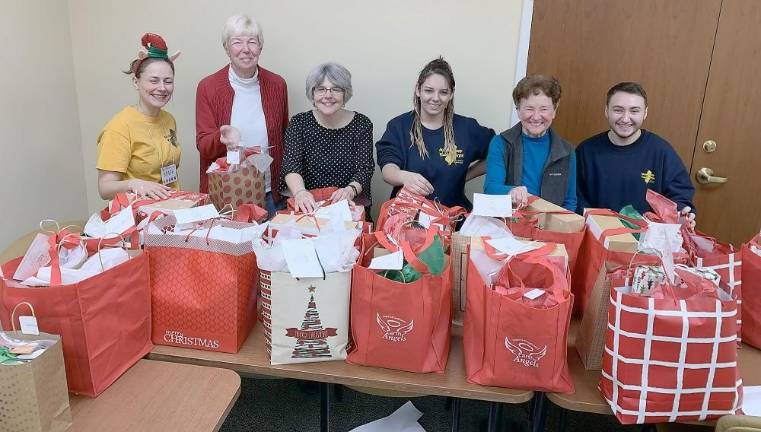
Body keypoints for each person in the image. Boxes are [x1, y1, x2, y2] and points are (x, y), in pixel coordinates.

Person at [196, 14, 288, 216]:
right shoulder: (208, 87)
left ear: (260, 47)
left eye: (252, 42)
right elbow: (203, 145)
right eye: (237, 42)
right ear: (226, 48)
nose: (246, 49)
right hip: (226, 197)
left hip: (270, 195)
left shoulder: (277, 85)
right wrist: (221, 137)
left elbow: (282, 138)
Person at [375, 57, 494, 210]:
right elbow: (388, 169)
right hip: (408, 220)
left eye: (443, 92)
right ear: (418, 90)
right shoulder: (399, 126)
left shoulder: (467, 128)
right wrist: (404, 176)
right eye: (429, 91)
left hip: (452, 220)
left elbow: (499, 151)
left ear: (451, 94)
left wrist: (465, 175)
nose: (435, 98)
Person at [576, 82, 696, 222]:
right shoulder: (586, 151)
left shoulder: (661, 151)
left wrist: (681, 214)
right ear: (606, 111)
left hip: (648, 239)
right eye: (618, 110)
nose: (626, 118)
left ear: (645, 113)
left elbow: (680, 198)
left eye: (634, 111)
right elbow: (575, 199)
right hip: (598, 235)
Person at [96, 33, 181, 200]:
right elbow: (105, 188)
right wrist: (134, 184)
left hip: (170, 207)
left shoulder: (169, 119)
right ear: (136, 82)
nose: (162, 88)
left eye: (168, 81)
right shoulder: (119, 127)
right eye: (154, 81)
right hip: (137, 215)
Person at [280, 63, 374, 214]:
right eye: (321, 89)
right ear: (313, 93)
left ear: (345, 93)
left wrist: (350, 190)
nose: (328, 95)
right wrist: (300, 193)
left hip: (348, 206)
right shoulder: (299, 122)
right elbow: (291, 165)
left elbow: (365, 168)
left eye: (336, 89)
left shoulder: (362, 124)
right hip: (308, 206)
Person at [483, 75, 577, 211]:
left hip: (551, 226)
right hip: (508, 224)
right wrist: (512, 192)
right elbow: (490, 188)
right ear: (518, 111)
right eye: (529, 109)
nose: (536, 116)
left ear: (554, 111)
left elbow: (570, 202)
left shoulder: (567, 151)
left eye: (544, 109)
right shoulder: (500, 143)